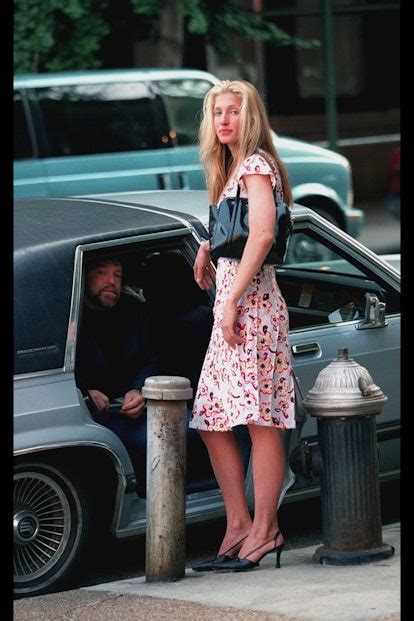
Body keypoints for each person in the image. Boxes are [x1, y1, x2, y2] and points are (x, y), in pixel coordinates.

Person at [190, 80, 295, 572]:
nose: (225, 120)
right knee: (211, 418)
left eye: (234, 111)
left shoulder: (255, 164)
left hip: (251, 309)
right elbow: (241, 229)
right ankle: (238, 523)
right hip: (231, 310)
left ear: (250, 118)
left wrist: (230, 300)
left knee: (259, 420)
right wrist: (209, 246)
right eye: (218, 113)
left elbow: (264, 233)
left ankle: (266, 530)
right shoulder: (230, 169)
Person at [75, 257, 159, 493]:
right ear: (85, 277)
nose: (111, 282)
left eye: (117, 275)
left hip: (133, 413)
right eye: (101, 273)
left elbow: (150, 359)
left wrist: (139, 389)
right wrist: (83, 393)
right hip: (88, 419)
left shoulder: (133, 312)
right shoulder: (70, 317)